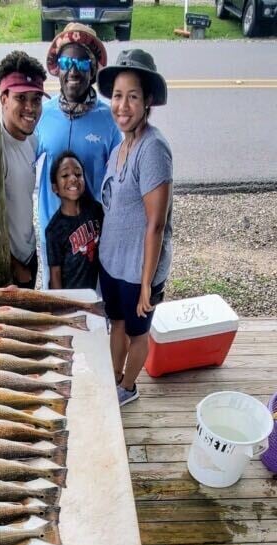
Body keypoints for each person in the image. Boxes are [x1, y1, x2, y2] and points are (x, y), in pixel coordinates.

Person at [97, 50, 173, 407]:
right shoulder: (120, 147)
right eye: (117, 95)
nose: (122, 105)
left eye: (133, 96)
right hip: (114, 263)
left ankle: (127, 386)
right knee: (117, 324)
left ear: (148, 103)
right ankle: (112, 377)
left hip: (138, 269)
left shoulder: (153, 147)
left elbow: (156, 223)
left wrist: (146, 284)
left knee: (137, 331)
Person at [36, 23, 120, 286]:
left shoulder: (110, 120)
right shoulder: (42, 115)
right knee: (56, 308)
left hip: (93, 236)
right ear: (57, 68)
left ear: (93, 70)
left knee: (94, 310)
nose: (73, 71)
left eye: (82, 64)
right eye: (66, 62)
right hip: (54, 233)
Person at [0, 51, 48, 288]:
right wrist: (15, 266)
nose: (30, 108)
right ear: (3, 98)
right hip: (8, 266)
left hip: (29, 252)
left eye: (36, 100)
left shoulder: (31, 140)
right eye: (21, 98)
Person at [46, 151, 103, 291]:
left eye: (78, 174)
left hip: (94, 293)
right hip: (70, 298)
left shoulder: (96, 210)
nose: (73, 179)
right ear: (55, 187)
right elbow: (55, 274)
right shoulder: (54, 229)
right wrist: (61, 308)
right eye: (65, 175)